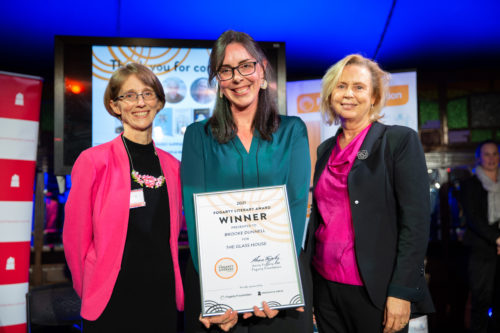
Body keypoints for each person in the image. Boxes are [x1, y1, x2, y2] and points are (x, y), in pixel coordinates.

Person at [181, 30, 312, 332]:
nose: (238, 77)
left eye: (245, 66)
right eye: (225, 70)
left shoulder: (293, 131)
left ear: (262, 69)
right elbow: (196, 215)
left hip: (281, 286)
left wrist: (275, 287)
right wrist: (217, 295)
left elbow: (295, 207)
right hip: (217, 285)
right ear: (218, 81)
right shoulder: (197, 136)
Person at [305, 54, 434, 333]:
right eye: (341, 86)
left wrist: (402, 291)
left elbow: (417, 223)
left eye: (359, 87)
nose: (348, 94)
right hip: (325, 286)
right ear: (330, 95)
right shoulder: (324, 150)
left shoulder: (398, 140)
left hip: (376, 288)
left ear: (374, 97)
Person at [63, 63, 184, 332]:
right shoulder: (93, 161)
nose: (139, 103)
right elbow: (75, 238)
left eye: (147, 94)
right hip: (111, 299)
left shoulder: (173, 167)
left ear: (160, 102)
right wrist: (91, 290)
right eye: (129, 95)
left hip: (161, 296)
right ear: (115, 106)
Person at [460, 140, 500, 333]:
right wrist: (497, 239)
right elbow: (473, 218)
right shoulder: (470, 185)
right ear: (478, 158)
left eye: (495, 153)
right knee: (481, 302)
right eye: (487, 154)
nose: (491, 158)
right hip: (481, 251)